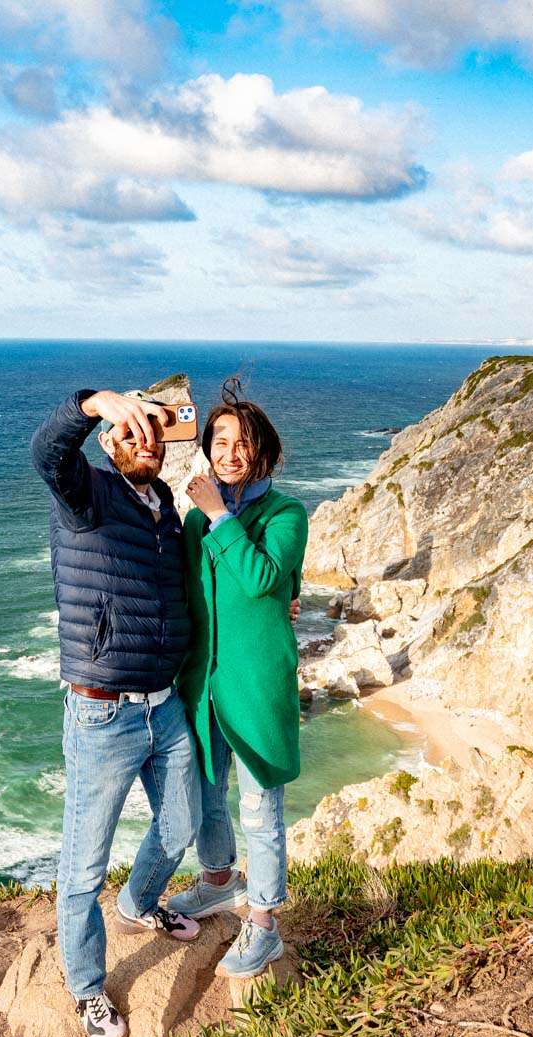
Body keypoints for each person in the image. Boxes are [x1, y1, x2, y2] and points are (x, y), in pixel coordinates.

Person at [30, 387, 204, 1037]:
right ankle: (86, 988)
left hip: (165, 705)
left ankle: (139, 903)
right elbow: (46, 454)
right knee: (82, 865)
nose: (146, 445)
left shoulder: (163, 508)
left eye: (155, 437)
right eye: (133, 435)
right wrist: (91, 403)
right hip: (103, 715)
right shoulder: (86, 495)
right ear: (109, 441)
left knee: (183, 819)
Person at [166, 382, 308, 979]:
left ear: (263, 453)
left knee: (260, 809)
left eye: (241, 442)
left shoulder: (286, 513)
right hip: (203, 683)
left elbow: (261, 580)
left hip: (255, 687)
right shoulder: (197, 520)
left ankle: (266, 923)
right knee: (206, 796)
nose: (228, 451)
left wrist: (222, 516)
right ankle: (219, 879)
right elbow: (188, 592)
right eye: (218, 440)